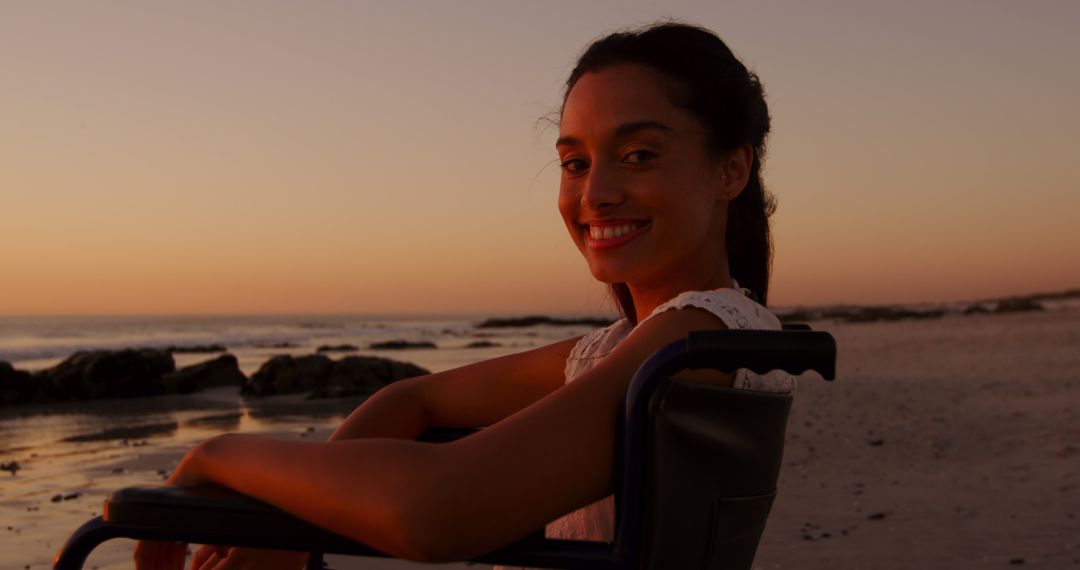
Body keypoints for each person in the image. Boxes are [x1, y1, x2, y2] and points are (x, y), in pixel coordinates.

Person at [134, 21, 791, 570]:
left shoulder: (694, 339)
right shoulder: (636, 346)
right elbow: (412, 398)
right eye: (574, 162)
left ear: (731, 169)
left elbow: (437, 510)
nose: (596, 193)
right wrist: (283, 534)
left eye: (640, 154)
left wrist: (217, 455)